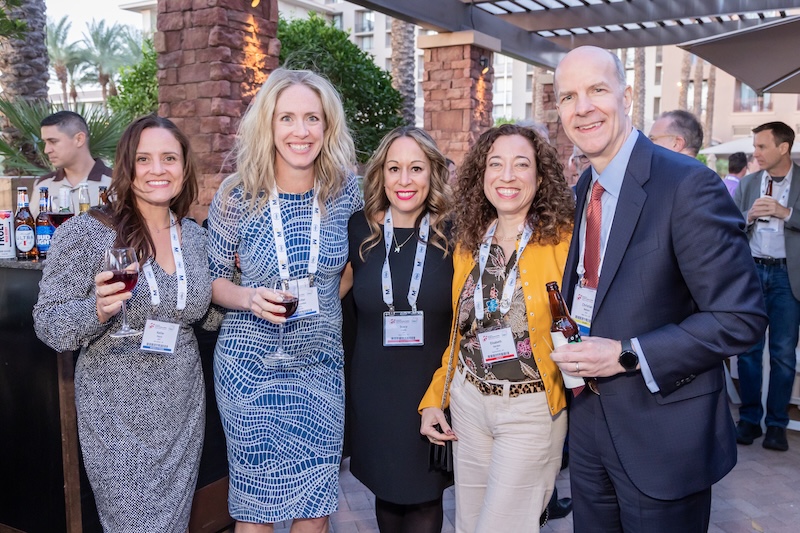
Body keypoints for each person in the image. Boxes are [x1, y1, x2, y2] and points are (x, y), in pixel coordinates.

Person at [550, 46, 767, 533]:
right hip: (588, 430)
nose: (582, 108)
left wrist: (628, 354)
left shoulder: (687, 184)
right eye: (568, 97)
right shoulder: (582, 191)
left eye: (597, 90)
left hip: (663, 437)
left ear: (627, 96)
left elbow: (740, 318)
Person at [33, 115, 210, 531]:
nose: (157, 169)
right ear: (127, 167)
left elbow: (202, 313)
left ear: (184, 166)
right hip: (116, 414)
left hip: (182, 406)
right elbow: (48, 322)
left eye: (169, 158)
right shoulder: (86, 233)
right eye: (143, 159)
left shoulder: (194, 236)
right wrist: (96, 310)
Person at [206, 68, 363, 532]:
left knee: (315, 511)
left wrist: (319, 310)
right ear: (268, 125)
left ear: (327, 125)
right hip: (249, 369)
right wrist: (250, 297)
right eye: (287, 118)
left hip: (320, 367)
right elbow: (214, 281)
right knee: (256, 512)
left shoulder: (345, 191)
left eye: (312, 118)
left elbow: (352, 267)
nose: (301, 131)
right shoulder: (237, 194)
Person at [419, 123, 575, 533]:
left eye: (521, 164)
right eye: (496, 164)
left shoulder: (564, 241)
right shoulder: (470, 241)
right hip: (468, 403)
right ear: (481, 174)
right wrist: (437, 397)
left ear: (540, 177)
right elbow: (460, 333)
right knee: (468, 525)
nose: (507, 176)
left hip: (530, 409)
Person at [341, 126, 453, 533]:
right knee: (387, 495)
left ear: (433, 173)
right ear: (381, 175)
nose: (405, 180)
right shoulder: (358, 230)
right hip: (374, 390)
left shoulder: (455, 233)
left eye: (416, 168)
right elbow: (329, 293)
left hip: (431, 390)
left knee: (425, 498)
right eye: (394, 168)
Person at [733, 121, 800, 452]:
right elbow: (727, 224)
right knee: (747, 351)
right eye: (755, 146)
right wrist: (747, 217)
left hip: (788, 277)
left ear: (783, 148)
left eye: (761, 146)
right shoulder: (748, 183)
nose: (755, 153)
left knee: (783, 355)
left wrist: (785, 212)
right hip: (752, 273)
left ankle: (776, 425)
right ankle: (749, 419)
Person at [31, 110, 113, 216]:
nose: (46, 150)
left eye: (53, 141)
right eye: (45, 143)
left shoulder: (116, 183)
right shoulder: (44, 185)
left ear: (79, 139)